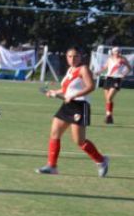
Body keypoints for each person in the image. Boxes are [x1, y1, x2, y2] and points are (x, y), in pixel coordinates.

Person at [38, 47, 109, 177]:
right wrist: (54, 92)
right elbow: (65, 89)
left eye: (75, 56)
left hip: (80, 106)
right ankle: (52, 166)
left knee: (79, 141)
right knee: (54, 133)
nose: (72, 59)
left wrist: (75, 95)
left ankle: (101, 160)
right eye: (70, 56)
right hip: (67, 105)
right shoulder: (70, 70)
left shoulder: (83, 69)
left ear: (80, 57)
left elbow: (91, 87)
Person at [99, 47, 131, 124]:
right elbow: (105, 67)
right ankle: (109, 116)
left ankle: (108, 115)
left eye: (119, 51)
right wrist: (99, 71)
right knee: (107, 99)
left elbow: (129, 68)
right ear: (113, 52)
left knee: (109, 97)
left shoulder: (123, 59)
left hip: (117, 79)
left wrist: (124, 74)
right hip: (108, 78)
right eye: (116, 51)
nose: (118, 52)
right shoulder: (110, 59)